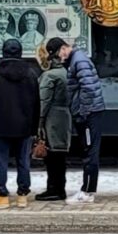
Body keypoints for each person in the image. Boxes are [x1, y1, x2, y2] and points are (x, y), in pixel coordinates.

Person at [0, 37, 41, 207]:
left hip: (0, 126)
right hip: (24, 126)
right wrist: (34, 127)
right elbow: (36, 103)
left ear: (3, 52)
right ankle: (22, 195)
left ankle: (2, 196)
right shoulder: (31, 74)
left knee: (0, 161)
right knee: (23, 161)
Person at [60, 37, 104, 202]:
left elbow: (89, 88)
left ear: (64, 48)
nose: (59, 59)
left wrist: (83, 112)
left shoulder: (79, 61)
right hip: (89, 111)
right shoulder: (77, 60)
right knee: (88, 150)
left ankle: (88, 191)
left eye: (58, 54)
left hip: (89, 113)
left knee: (90, 151)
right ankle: (87, 189)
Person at [35, 47, 74, 203]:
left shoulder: (49, 76)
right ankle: (59, 188)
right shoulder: (66, 72)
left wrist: (39, 122)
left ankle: (54, 189)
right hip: (65, 116)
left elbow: (43, 102)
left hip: (53, 118)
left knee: (53, 156)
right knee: (60, 155)